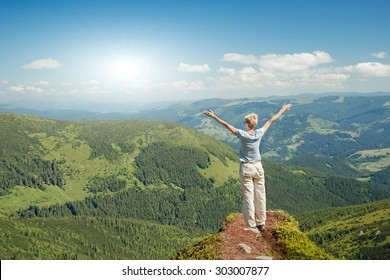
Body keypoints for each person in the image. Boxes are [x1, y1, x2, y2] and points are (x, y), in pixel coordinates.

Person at [203, 104, 292, 233]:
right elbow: (271, 120)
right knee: (260, 195)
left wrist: (214, 116)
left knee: (248, 196)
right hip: (258, 166)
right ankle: (261, 222)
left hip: (247, 167)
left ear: (247, 123)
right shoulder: (259, 133)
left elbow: (227, 125)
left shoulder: (243, 135)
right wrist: (283, 109)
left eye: (244, 122)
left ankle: (251, 225)